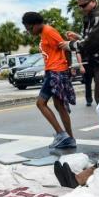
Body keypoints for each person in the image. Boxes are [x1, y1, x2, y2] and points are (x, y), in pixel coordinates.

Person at [23, 11, 77, 149]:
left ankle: (62, 134)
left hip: (56, 72)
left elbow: (66, 47)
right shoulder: (44, 32)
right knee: (60, 106)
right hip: (53, 71)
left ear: (36, 24)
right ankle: (69, 138)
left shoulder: (49, 31)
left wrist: (67, 67)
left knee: (41, 103)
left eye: (29, 28)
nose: (29, 32)